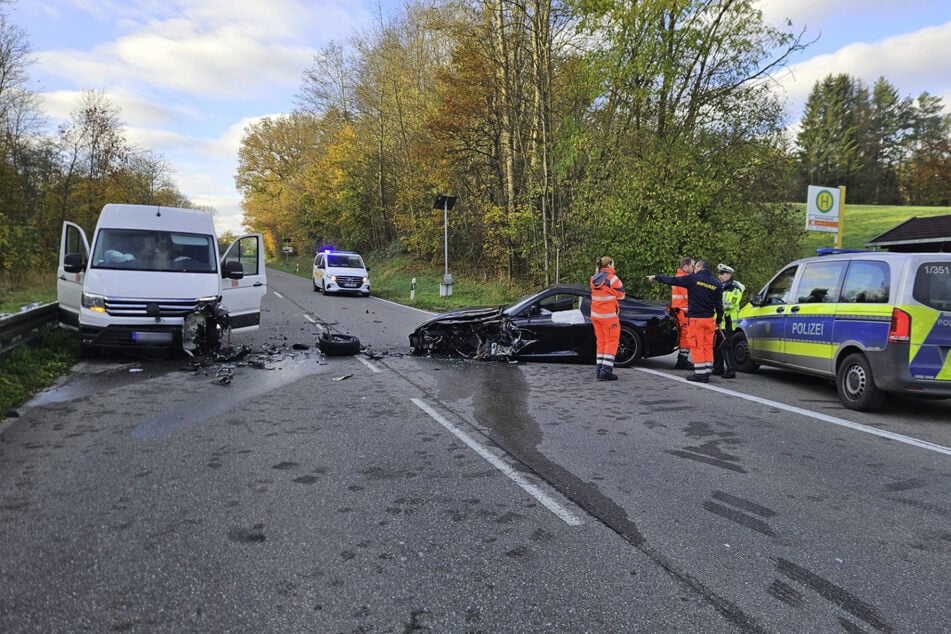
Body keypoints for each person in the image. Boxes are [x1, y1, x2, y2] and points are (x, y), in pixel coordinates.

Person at [647, 259, 723, 383]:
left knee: (697, 346)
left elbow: (673, 280)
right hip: (710, 320)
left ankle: (700, 374)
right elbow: (719, 306)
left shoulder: (693, 279)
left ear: (699, 267)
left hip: (696, 319)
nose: (694, 269)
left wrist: (656, 277)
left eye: (695, 267)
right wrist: (718, 320)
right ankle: (707, 371)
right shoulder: (716, 284)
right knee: (707, 346)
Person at [590, 256, 625, 381]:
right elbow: (621, 296)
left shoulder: (594, 278)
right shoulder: (613, 279)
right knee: (611, 341)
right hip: (609, 316)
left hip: (595, 315)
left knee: (601, 342)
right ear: (609, 265)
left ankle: (599, 369)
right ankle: (606, 370)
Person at [712, 263, 745, 378]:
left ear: (729, 274)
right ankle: (717, 368)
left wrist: (716, 304)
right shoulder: (720, 287)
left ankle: (731, 370)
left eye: (722, 274)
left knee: (726, 346)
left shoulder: (735, 288)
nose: (719, 276)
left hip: (728, 322)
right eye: (719, 274)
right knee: (716, 346)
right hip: (719, 322)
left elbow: (731, 304)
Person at [670, 256, 694, 369]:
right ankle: (682, 361)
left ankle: (682, 360)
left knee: (685, 335)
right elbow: (690, 296)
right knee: (686, 336)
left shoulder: (681, 278)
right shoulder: (682, 279)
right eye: (692, 266)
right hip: (683, 311)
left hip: (681, 311)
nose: (694, 268)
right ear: (685, 266)